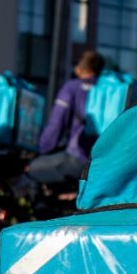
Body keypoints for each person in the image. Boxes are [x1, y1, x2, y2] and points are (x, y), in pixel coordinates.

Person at [27, 49, 105, 187]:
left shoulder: (72, 88)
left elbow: (56, 125)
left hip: (79, 159)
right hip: (105, 163)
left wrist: (40, 149)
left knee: (29, 169)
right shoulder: (108, 91)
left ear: (79, 69)